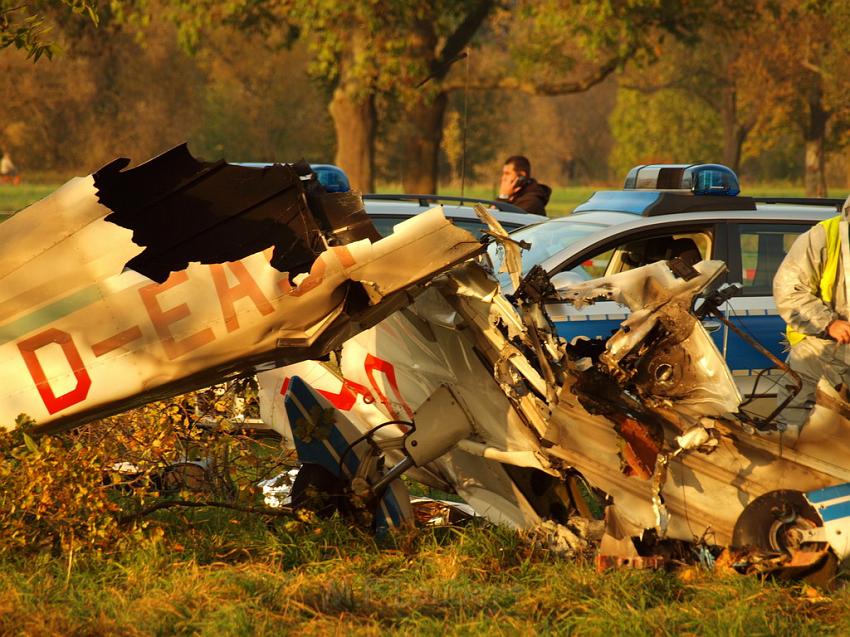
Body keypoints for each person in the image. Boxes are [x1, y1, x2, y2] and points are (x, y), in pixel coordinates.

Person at [773, 194, 850, 426]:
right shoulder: (823, 237)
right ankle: (790, 459)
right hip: (820, 346)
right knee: (794, 416)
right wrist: (829, 323)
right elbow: (788, 290)